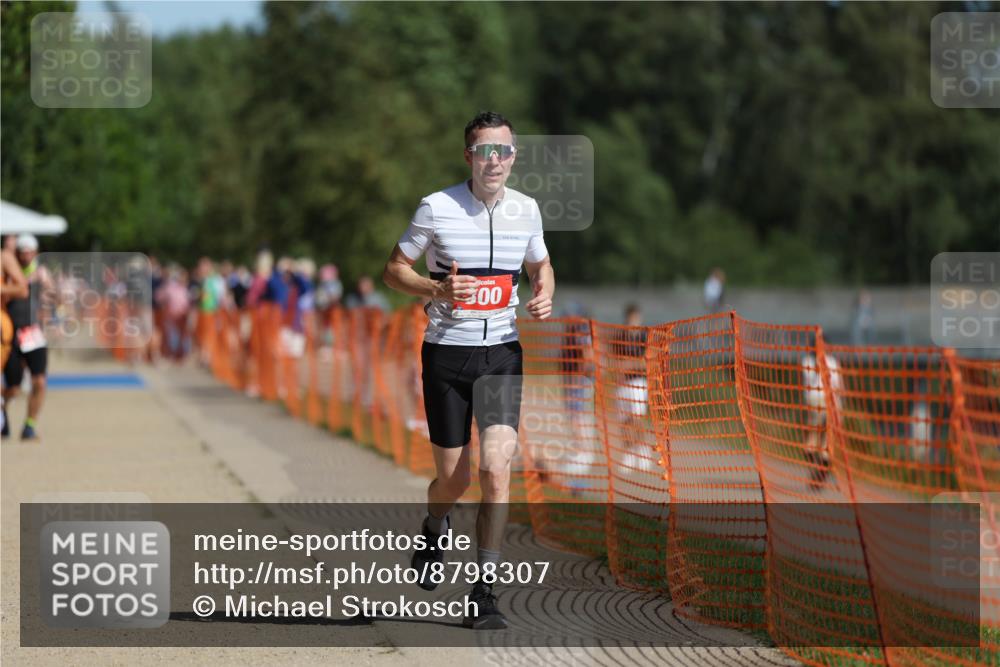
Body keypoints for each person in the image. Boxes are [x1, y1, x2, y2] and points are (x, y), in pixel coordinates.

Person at [382, 111, 554, 629]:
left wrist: (546, 290)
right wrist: (435, 289)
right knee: (452, 481)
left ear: (513, 156)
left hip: (502, 353)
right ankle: (435, 525)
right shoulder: (436, 208)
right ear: (469, 157)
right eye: (484, 151)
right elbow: (393, 270)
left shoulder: (527, 210)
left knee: (496, 471)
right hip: (447, 355)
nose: (494, 160)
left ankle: (484, 591)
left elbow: (539, 265)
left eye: (502, 151)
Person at [2, 234, 55, 441]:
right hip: (11, 333)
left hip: (32, 332)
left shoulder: (41, 272)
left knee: (39, 381)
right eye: (21, 252)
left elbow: (55, 298)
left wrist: (49, 290)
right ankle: (2, 411)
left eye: (29, 251)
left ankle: (29, 426)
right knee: (13, 388)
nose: (25, 256)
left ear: (35, 252)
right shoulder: (8, 272)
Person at [801, 352, 843, 489]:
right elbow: (840, 387)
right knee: (827, 441)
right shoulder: (833, 361)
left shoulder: (807, 360)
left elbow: (804, 384)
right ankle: (821, 471)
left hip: (814, 400)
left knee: (812, 438)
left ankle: (815, 469)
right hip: (832, 402)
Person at [1, 243, 30, 439]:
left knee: (15, 386)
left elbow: (22, 289)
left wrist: (2, 289)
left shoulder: (4, 257)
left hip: (3, 326)